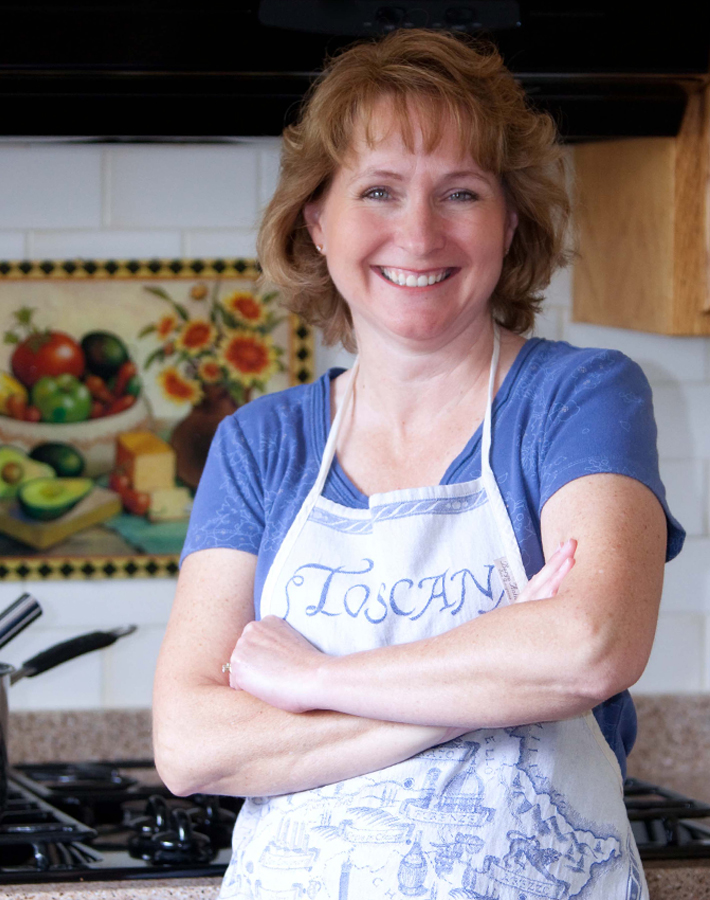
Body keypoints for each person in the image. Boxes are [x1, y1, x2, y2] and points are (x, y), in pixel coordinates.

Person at [153, 28, 684, 899]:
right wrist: (494, 681)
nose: (419, 232)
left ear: (509, 221)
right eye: (379, 190)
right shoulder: (261, 443)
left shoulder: (578, 397)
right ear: (316, 220)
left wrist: (315, 681)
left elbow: (589, 648)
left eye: (461, 192)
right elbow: (191, 744)